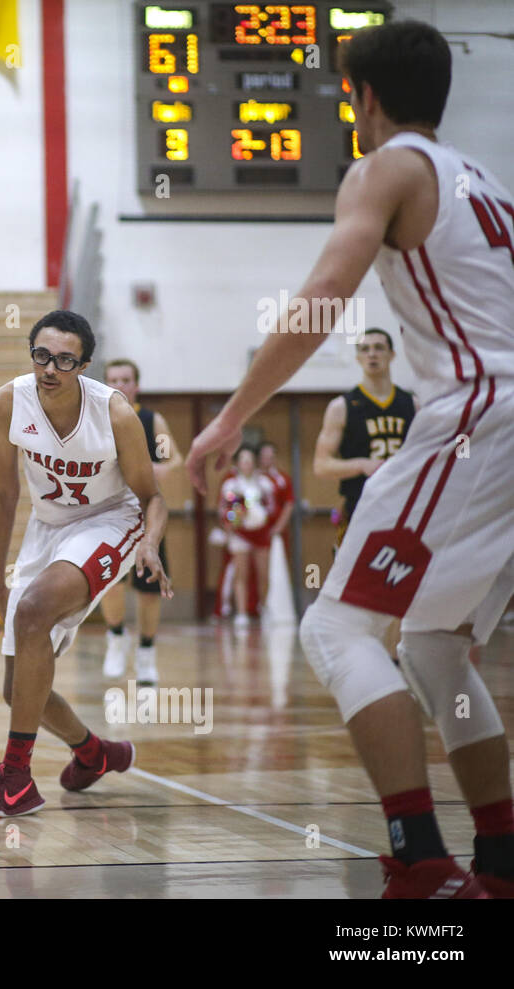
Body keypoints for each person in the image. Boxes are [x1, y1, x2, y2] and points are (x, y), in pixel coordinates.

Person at [187, 21, 513, 898]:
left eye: (344, 91)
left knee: (337, 629)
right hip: (505, 420)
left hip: (479, 414)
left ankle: (421, 860)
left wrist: (227, 420)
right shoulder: (486, 180)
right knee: (439, 645)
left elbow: (322, 298)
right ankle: (501, 861)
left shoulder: (387, 168)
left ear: (364, 97)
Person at [0, 311, 170, 819]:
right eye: (41, 356)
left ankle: (15, 779)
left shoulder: (114, 414)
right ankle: (95, 754)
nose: (50, 368)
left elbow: (153, 497)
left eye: (64, 360)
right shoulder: (7, 402)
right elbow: (4, 491)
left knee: (33, 612)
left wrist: (152, 545)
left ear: (84, 365)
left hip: (110, 521)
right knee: (19, 689)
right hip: (47, 527)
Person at [99, 359, 183, 686]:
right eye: (114, 379)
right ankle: (116, 639)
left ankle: (146, 654)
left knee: (149, 589)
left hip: (146, 512)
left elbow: (174, 458)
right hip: (108, 513)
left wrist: (158, 469)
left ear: (137, 385)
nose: (120, 384)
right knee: (110, 582)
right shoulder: (96, 419)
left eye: (126, 379)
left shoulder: (150, 420)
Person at [313, 328, 416, 549]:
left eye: (379, 348)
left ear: (392, 355)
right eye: (365, 349)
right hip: (360, 508)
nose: (372, 354)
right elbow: (321, 465)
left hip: (406, 508)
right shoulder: (342, 407)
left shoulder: (413, 404)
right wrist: (361, 465)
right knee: (356, 583)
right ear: (358, 357)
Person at [219, 446, 277, 629]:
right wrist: (236, 519)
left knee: (263, 573)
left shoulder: (264, 484)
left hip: (260, 532)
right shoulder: (232, 486)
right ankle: (242, 612)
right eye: (243, 461)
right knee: (241, 573)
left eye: (250, 460)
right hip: (241, 534)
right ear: (237, 464)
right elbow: (226, 511)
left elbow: (272, 508)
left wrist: (262, 517)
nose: (247, 464)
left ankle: (263, 607)